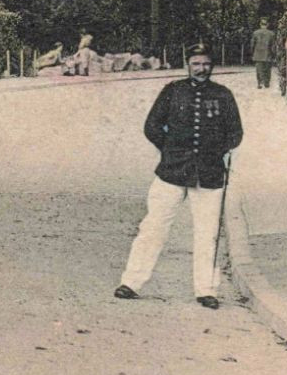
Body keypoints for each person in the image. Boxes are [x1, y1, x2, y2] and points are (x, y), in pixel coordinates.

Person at [116, 42, 243, 309]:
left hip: (209, 174)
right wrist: (170, 148)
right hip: (171, 171)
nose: (201, 69)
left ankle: (206, 290)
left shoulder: (223, 95)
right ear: (188, 65)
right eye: (196, 64)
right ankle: (131, 282)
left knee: (207, 233)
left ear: (212, 66)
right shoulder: (173, 92)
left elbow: (235, 133)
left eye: (206, 64)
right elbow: (151, 126)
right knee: (153, 227)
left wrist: (215, 151)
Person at [250, 19, 278, 90]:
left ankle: (259, 83)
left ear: (260, 24)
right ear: (267, 24)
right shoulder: (271, 34)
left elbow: (252, 44)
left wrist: (252, 52)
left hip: (258, 54)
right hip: (267, 54)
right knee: (267, 69)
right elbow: (273, 46)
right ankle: (266, 83)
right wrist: (274, 54)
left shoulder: (255, 33)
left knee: (259, 69)